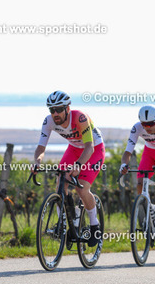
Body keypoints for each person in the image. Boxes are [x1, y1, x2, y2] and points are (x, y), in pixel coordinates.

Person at [33, 91, 105, 247]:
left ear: (67, 108)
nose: (55, 113)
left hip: (93, 149)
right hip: (74, 148)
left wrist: (78, 165)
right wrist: (37, 161)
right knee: (61, 181)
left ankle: (94, 225)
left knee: (82, 188)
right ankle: (67, 221)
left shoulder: (80, 118)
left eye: (59, 109)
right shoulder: (48, 121)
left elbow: (89, 147)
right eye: (52, 110)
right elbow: (41, 147)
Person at [120, 105, 155, 242]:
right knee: (139, 184)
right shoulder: (137, 128)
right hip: (149, 154)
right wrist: (123, 164)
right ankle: (151, 210)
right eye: (144, 124)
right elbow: (128, 151)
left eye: (151, 123)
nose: (148, 127)